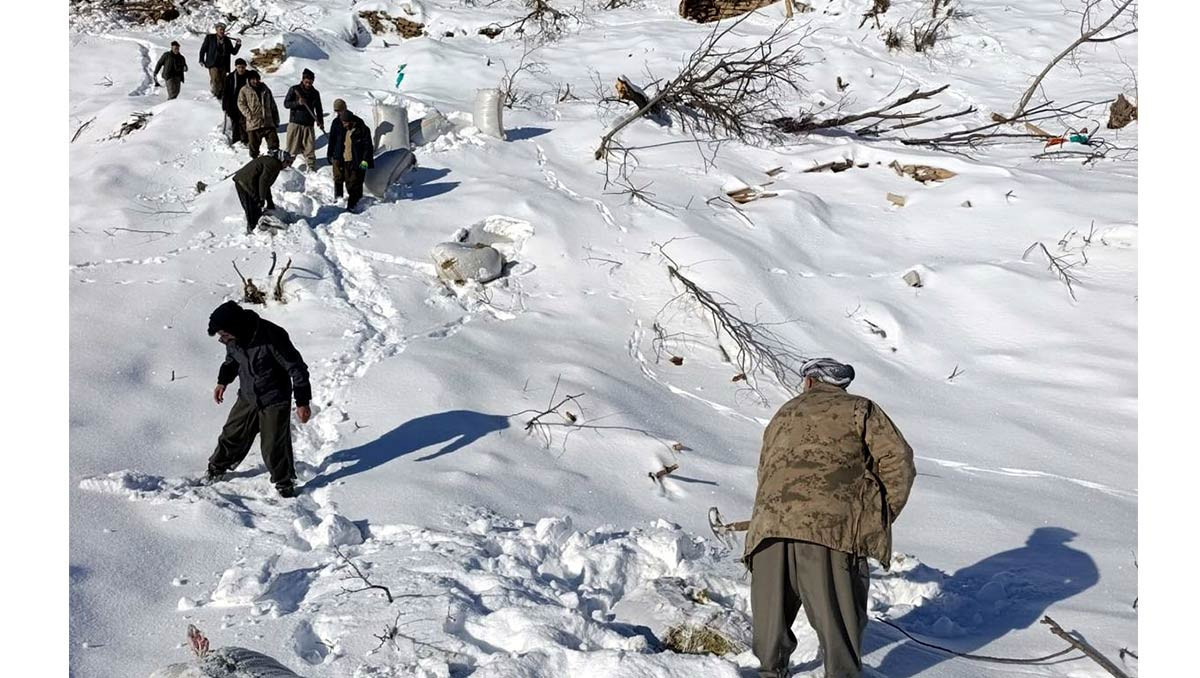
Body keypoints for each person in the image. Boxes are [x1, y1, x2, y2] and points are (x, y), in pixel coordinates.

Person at [744, 358, 915, 678]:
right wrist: (879, 516)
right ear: (841, 385)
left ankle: (770, 673)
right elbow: (899, 462)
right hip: (829, 531)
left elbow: (765, 468)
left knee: (771, 622)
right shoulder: (860, 410)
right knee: (839, 622)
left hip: (768, 530)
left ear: (808, 382)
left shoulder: (783, 413)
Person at [205, 300, 311, 499]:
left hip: (274, 397)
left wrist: (303, 402)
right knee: (231, 434)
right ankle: (216, 469)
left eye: (224, 334)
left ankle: (284, 482)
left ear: (236, 326)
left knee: (273, 445)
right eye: (221, 336)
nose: (223, 339)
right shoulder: (233, 340)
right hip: (247, 396)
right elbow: (232, 361)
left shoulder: (272, 336)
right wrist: (223, 382)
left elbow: (297, 368)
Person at [232, 149, 291, 234]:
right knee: (252, 208)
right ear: (282, 160)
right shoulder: (273, 164)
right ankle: (253, 230)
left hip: (248, 183)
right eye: (287, 162)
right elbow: (263, 181)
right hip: (245, 183)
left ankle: (257, 226)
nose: (288, 165)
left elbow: (266, 184)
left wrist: (269, 200)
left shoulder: (273, 163)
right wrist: (262, 198)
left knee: (255, 207)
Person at [329, 110, 374, 210]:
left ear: (350, 121)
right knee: (349, 184)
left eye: (345, 122)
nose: (344, 125)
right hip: (346, 160)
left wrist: (365, 160)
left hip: (358, 161)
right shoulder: (345, 130)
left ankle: (352, 207)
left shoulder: (362, 130)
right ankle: (356, 201)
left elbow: (368, 147)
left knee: (355, 183)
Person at [283, 69, 325, 171]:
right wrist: (297, 103)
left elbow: (319, 109)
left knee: (309, 147)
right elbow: (286, 104)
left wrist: (320, 121)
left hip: (309, 124)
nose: (308, 84)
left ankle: (311, 167)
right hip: (295, 123)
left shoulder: (315, 93)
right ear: (302, 80)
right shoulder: (294, 89)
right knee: (292, 147)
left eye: (310, 82)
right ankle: (287, 167)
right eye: (306, 82)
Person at [325, 99, 366, 201]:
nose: (339, 113)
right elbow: (332, 139)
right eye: (336, 111)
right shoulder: (336, 122)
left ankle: (355, 199)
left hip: (352, 156)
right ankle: (338, 198)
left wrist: (364, 158)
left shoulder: (357, 122)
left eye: (340, 110)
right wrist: (330, 153)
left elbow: (366, 142)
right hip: (338, 154)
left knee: (352, 179)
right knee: (338, 177)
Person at [237, 70, 280, 158]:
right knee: (254, 148)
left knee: (274, 145)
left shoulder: (265, 89)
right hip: (254, 123)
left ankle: (273, 162)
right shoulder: (244, 90)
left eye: (257, 79)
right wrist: (249, 115)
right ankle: (254, 164)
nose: (256, 81)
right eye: (253, 79)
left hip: (268, 122)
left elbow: (272, 105)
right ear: (249, 80)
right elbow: (241, 104)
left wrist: (276, 119)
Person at [198, 22, 242, 99]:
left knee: (223, 81)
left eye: (223, 30)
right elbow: (203, 49)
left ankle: (221, 96)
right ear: (216, 30)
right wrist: (201, 59)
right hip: (213, 63)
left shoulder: (227, 40)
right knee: (215, 79)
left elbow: (233, 52)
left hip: (223, 64)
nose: (222, 31)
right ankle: (215, 94)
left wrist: (238, 45)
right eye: (220, 29)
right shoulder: (210, 38)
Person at [222, 58, 251, 146]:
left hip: (246, 103)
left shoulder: (249, 76)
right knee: (235, 122)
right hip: (233, 103)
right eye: (239, 67)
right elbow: (226, 92)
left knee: (245, 121)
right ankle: (236, 140)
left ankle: (245, 140)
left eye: (243, 67)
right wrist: (225, 105)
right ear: (236, 67)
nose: (241, 69)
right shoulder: (230, 78)